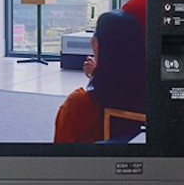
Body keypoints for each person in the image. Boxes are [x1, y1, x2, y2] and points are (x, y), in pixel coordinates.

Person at [55, 9, 145, 144]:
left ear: (96, 44)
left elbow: (59, 156)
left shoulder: (79, 103)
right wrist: (99, 71)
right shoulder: (147, 93)